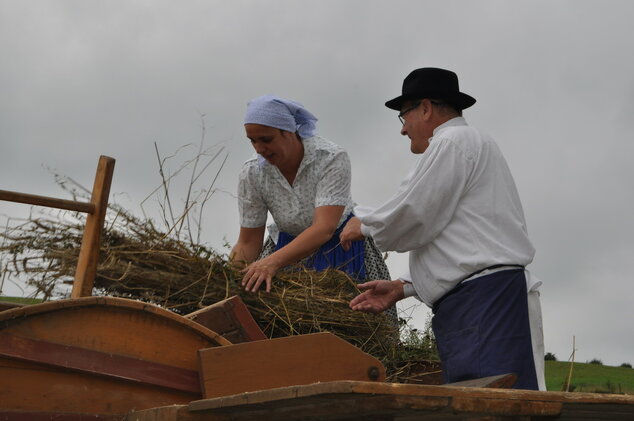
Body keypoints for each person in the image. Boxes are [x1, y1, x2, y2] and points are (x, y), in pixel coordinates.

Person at [339, 68, 545, 390]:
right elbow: (452, 231)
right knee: (475, 404)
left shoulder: (454, 141)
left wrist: (362, 223)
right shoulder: (461, 144)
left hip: (486, 301)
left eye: (403, 116)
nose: (403, 130)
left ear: (425, 108)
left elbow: (416, 212)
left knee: (496, 405)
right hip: (473, 302)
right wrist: (403, 287)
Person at [231, 94, 392, 306]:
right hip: (285, 249)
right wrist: (228, 281)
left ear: (288, 132)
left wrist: (271, 262)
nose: (259, 149)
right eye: (253, 141)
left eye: (266, 140)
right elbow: (249, 241)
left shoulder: (330, 158)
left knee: (350, 323)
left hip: (341, 249)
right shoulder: (252, 172)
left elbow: (324, 228)